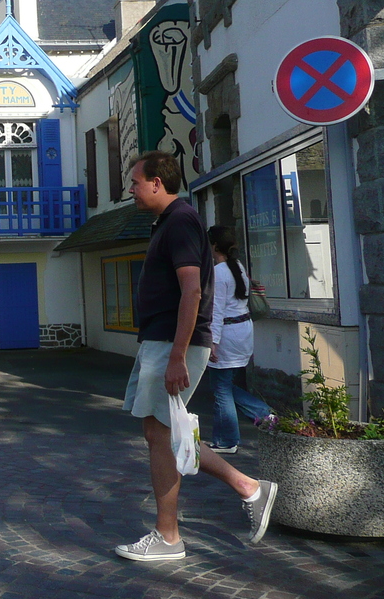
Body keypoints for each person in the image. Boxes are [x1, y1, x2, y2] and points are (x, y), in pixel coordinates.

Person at [115, 152, 277, 562]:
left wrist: (177, 356)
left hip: (171, 343)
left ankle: (169, 537)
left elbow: (192, 291)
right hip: (160, 341)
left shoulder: (182, 221)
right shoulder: (171, 223)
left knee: (162, 436)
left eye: (135, 182)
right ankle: (248, 487)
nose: (130, 190)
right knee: (163, 433)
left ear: (156, 182)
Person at [206, 225, 272, 454]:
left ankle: (227, 440)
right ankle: (262, 413)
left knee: (221, 389)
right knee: (223, 385)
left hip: (227, 333)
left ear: (214, 245)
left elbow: (216, 310)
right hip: (243, 330)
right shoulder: (238, 268)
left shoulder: (219, 272)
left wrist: (212, 342)